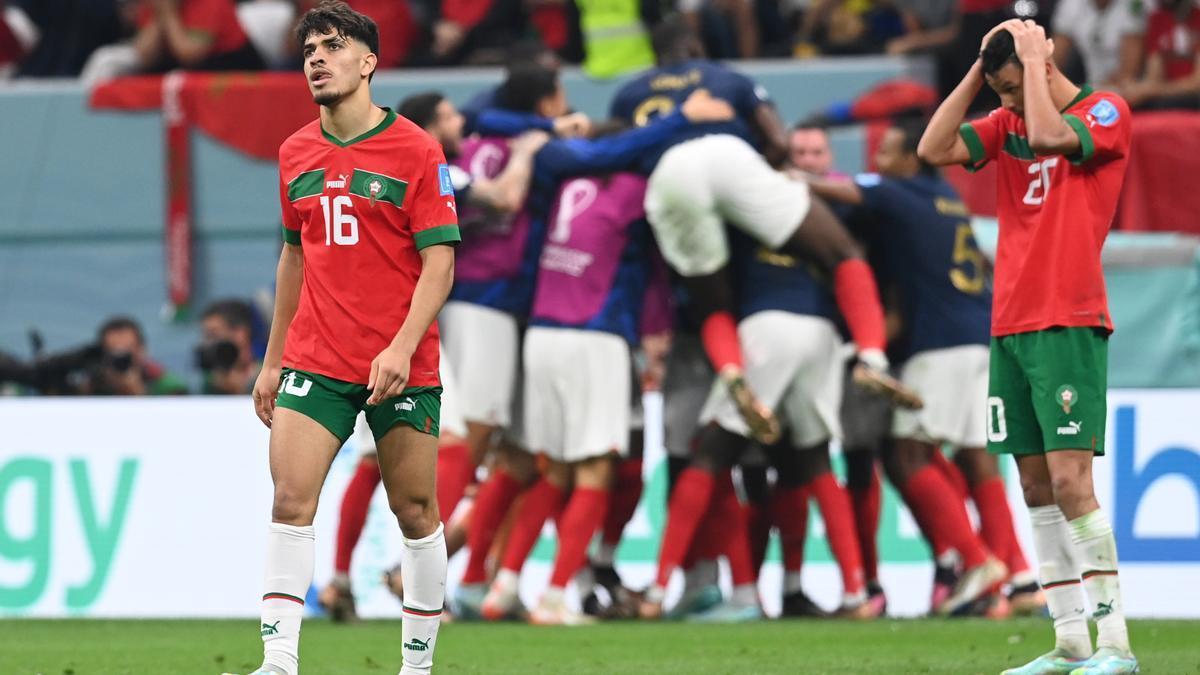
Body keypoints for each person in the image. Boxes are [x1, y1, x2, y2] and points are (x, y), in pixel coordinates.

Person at [244, 3, 459, 674]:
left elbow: (440, 262)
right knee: (289, 497)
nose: (316, 57)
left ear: (368, 62)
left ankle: (417, 665)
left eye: (333, 46)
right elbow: (294, 258)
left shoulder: (417, 149)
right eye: (310, 47)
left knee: (415, 508)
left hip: (402, 361)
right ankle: (278, 662)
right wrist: (273, 359)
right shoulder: (295, 152)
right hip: (316, 355)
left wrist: (400, 347)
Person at [919, 19, 1136, 675]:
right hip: (1010, 322)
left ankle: (1115, 644)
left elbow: (1048, 134)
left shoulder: (1105, 109)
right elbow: (932, 148)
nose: (1007, 104)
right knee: (1035, 485)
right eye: (1000, 93)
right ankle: (1069, 639)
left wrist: (1033, 66)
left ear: (1041, 66)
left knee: (1073, 482)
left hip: (1068, 316)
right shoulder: (1006, 120)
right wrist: (982, 72)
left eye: (1012, 88)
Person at [610, 18, 919, 447]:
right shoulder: (727, 78)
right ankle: (870, 357)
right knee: (842, 252)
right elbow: (776, 142)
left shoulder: (629, 93)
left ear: (655, 55)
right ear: (697, 48)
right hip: (729, 157)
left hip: (669, 179)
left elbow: (621, 155)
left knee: (712, 300)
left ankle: (734, 373)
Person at [810, 118, 1043, 617]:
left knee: (905, 455)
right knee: (976, 456)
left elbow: (846, 190)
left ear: (912, 158)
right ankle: (1020, 577)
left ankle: (978, 563)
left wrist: (781, 179)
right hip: (982, 337)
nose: (881, 162)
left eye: (889, 153)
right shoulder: (948, 198)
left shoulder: (897, 193)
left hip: (938, 345)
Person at [133, 0, 265, 73]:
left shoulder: (211, 3)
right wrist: (159, 16)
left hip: (232, 71)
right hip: (183, 74)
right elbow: (144, 56)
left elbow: (189, 55)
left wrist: (169, 14)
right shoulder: (156, 4)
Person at [1119, 0, 1200, 109]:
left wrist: (1151, 90)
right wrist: (1138, 89)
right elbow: (1154, 76)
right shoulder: (1157, 19)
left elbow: (1196, 84)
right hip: (1166, 96)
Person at [1051, 0, 1144, 86]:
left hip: (1123, 89)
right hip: (1090, 86)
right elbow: (1055, 60)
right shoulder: (1072, 4)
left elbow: (1127, 74)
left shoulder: (1133, 4)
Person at [93, 316, 188, 396]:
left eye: (127, 350)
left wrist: (138, 393)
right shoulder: (93, 384)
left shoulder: (167, 385)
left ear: (142, 349)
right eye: (113, 350)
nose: (120, 357)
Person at [198, 299, 261, 396]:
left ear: (240, 333)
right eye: (206, 336)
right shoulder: (212, 381)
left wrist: (245, 388)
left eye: (213, 334)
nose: (209, 343)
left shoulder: (268, 373)